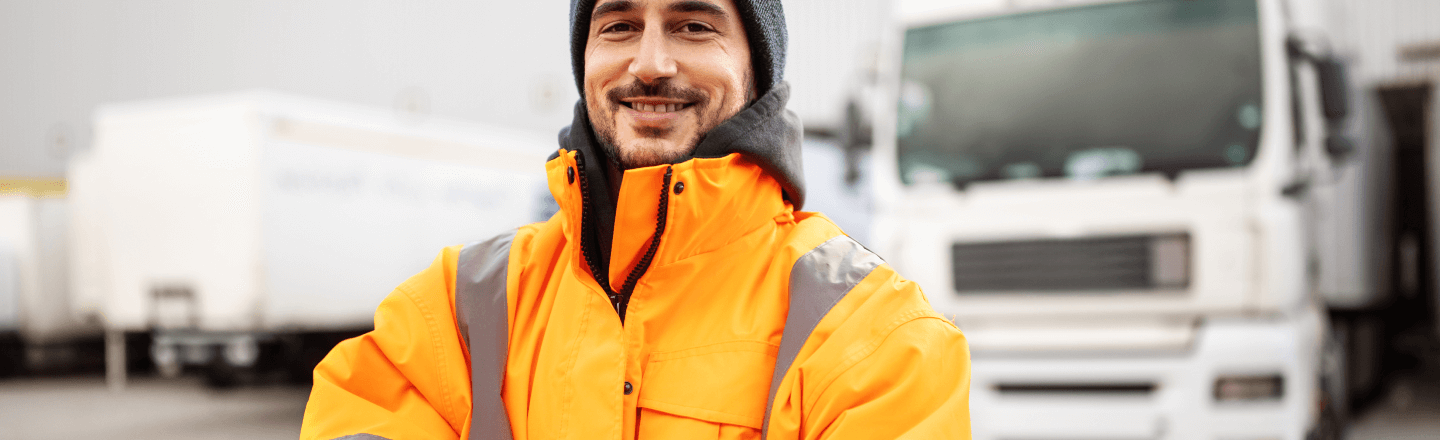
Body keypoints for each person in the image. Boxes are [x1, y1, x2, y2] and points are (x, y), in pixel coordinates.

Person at [299, 0, 971, 438]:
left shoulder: (876, 334)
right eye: (618, 25)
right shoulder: (462, 304)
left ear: (756, 69)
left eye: (694, 24)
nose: (650, 64)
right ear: (584, 61)